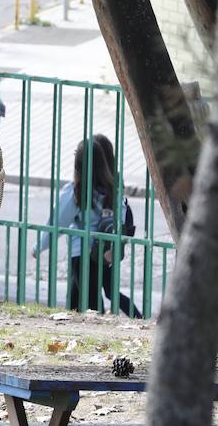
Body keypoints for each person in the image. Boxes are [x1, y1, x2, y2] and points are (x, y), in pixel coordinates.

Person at [33, 134, 143, 318]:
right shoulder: (112, 191)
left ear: (79, 166)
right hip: (104, 253)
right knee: (83, 298)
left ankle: (95, 334)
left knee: (88, 302)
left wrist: (40, 246)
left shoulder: (77, 193)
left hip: (82, 255)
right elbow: (121, 219)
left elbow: (57, 223)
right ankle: (135, 319)